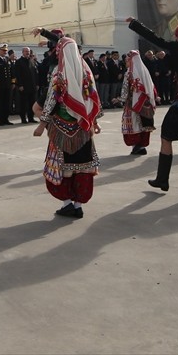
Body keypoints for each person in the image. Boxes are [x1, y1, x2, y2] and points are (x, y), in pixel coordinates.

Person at [127, 17, 178, 198]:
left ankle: (162, 179)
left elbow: (155, 39)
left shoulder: (177, 48)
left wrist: (135, 24)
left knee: (166, 138)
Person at [31, 27, 101, 218]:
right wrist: (94, 121)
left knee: (63, 169)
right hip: (83, 128)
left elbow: (51, 101)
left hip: (61, 128)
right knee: (83, 167)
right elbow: (93, 99)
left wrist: (41, 124)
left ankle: (68, 203)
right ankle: (78, 205)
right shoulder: (86, 74)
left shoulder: (59, 75)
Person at [118, 49, 156, 156]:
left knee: (134, 125)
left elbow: (125, 90)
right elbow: (151, 88)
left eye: (127, 60)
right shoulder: (145, 71)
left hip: (132, 105)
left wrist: (120, 99)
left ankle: (136, 146)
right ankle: (142, 146)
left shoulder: (129, 73)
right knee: (143, 124)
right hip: (145, 104)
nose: (126, 62)